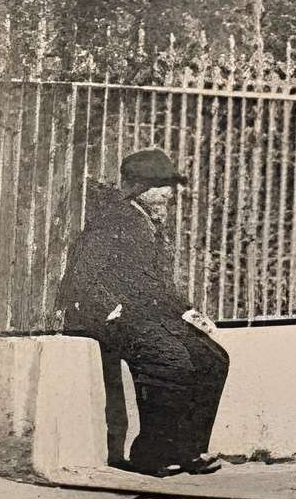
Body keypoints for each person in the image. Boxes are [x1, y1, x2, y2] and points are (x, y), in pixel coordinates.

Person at [59, 150, 228, 476]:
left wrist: (191, 314)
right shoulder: (112, 221)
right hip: (115, 318)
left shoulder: (147, 224)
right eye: (159, 186)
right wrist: (111, 309)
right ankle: (150, 454)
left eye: (169, 185)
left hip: (149, 316)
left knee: (212, 359)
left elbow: (157, 284)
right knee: (171, 360)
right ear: (137, 189)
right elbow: (82, 276)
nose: (168, 193)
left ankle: (190, 450)